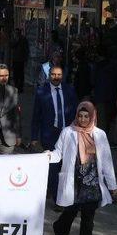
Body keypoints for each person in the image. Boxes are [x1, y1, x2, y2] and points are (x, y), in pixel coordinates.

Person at [48, 101, 117, 235]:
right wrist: (47, 156)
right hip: (74, 182)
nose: (83, 119)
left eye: (87, 116)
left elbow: (106, 160)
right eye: (80, 115)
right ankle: (59, 229)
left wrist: (112, 184)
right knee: (70, 212)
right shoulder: (68, 132)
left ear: (92, 116)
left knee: (88, 220)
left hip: (92, 184)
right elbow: (58, 153)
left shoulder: (100, 135)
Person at [31, 65, 77, 202]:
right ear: (48, 75)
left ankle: (63, 193)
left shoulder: (69, 90)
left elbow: (75, 111)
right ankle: (57, 198)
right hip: (49, 135)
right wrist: (34, 137)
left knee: (66, 166)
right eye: (53, 74)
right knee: (53, 167)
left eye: (59, 75)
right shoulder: (41, 91)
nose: (56, 77)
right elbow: (36, 116)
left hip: (68, 133)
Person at [10, 28, 29, 93]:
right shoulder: (14, 39)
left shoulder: (23, 39)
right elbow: (11, 46)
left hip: (21, 59)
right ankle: (16, 86)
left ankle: (20, 87)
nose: (17, 34)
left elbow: (26, 49)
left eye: (18, 32)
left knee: (20, 74)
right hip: (15, 59)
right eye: (16, 33)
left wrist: (26, 58)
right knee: (16, 74)